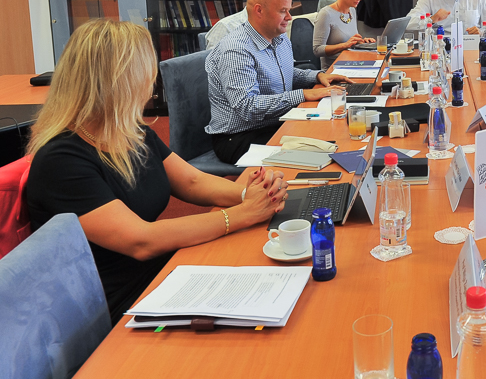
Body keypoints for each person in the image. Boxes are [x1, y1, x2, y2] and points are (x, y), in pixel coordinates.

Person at [26, 19, 289, 321]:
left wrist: (249, 194)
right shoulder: (62, 161)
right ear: (119, 81)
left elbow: (189, 181)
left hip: (160, 273)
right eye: (145, 73)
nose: (151, 83)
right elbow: (142, 240)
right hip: (112, 302)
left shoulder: (131, 132)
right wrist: (242, 214)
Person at [206, 0, 349, 164]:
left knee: (333, 135)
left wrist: (317, 75)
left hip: (274, 123)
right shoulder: (236, 49)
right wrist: (303, 95)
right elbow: (247, 107)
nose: (289, 17)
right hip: (239, 137)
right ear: (259, 10)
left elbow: (286, 73)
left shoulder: (279, 38)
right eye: (283, 11)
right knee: (318, 154)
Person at [313, 0, 375, 69]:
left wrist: (361, 42)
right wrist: (344, 45)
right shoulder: (326, 14)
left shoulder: (352, 10)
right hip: (333, 70)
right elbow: (317, 50)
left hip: (352, 64)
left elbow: (349, 40)